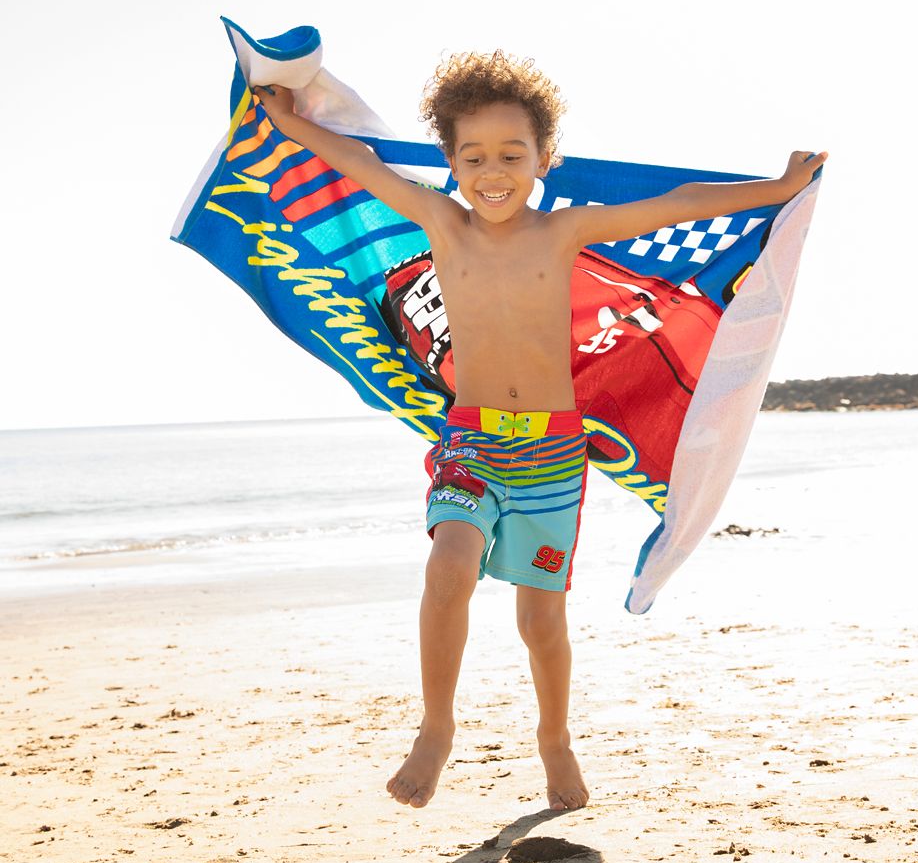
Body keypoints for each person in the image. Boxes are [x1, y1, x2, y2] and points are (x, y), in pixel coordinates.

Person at [255, 51, 827, 812]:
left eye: (511, 155)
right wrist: (289, 121)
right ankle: (435, 727)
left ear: (544, 160)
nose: (493, 172)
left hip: (555, 452)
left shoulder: (565, 233)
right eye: (474, 156)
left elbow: (681, 203)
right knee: (449, 565)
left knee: (539, 617)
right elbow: (358, 163)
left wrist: (780, 188)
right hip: (471, 441)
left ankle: (554, 738)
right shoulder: (440, 222)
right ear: (450, 163)